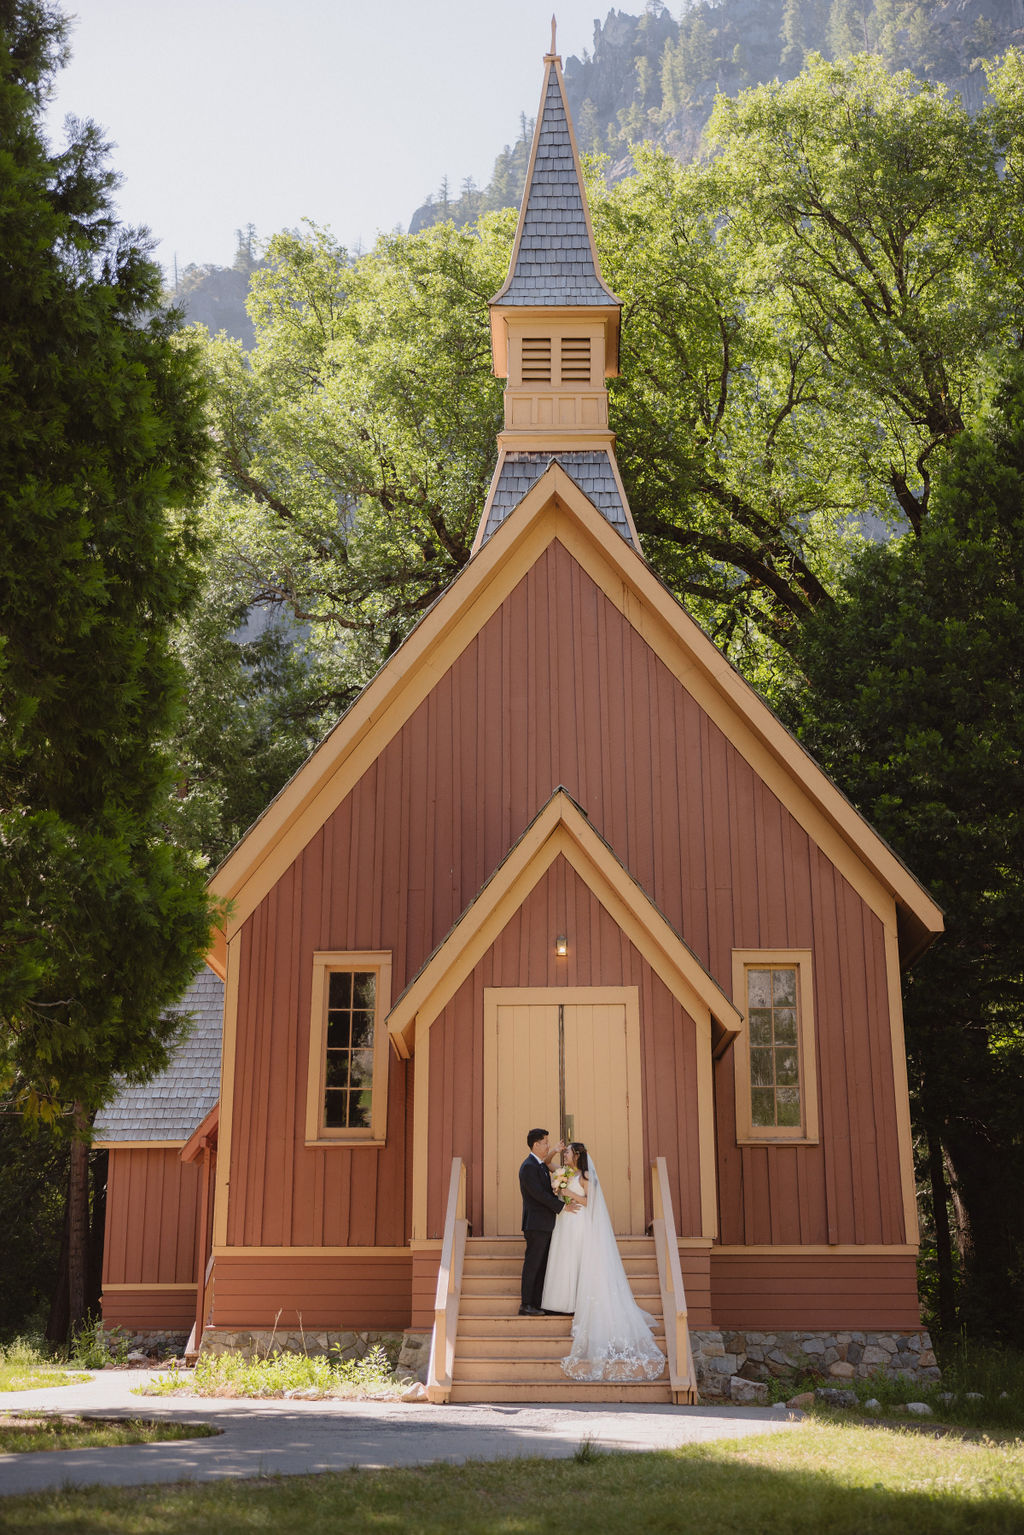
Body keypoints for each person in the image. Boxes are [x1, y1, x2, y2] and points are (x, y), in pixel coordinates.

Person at [544, 1140, 666, 1383]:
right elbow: (547, 1164)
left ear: (577, 1155)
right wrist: (554, 1152)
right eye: (565, 1152)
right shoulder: (568, 1172)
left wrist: (568, 1194)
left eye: (568, 1152)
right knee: (566, 1262)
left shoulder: (586, 1176)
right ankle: (565, 1300)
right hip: (566, 1224)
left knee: (581, 1262)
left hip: (580, 1224)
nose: (565, 1156)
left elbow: (592, 1202)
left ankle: (581, 1300)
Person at [518, 1127, 580, 1315]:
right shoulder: (528, 1167)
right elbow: (539, 1195)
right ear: (536, 1144)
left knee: (542, 1264)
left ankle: (537, 1303)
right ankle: (526, 1304)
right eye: (545, 1142)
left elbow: (546, 1191)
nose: (547, 1145)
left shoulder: (539, 1165)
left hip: (544, 1224)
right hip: (536, 1224)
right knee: (533, 1264)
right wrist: (562, 1206)